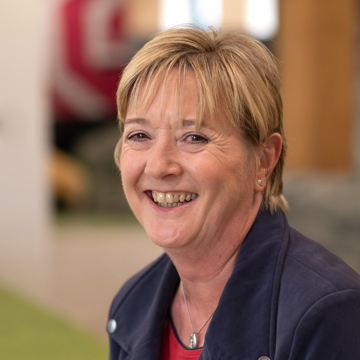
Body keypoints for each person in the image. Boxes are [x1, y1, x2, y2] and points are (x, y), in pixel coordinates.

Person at [107, 26, 360, 360]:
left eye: (194, 137)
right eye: (139, 135)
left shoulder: (328, 312)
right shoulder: (132, 305)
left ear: (264, 159)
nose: (158, 167)